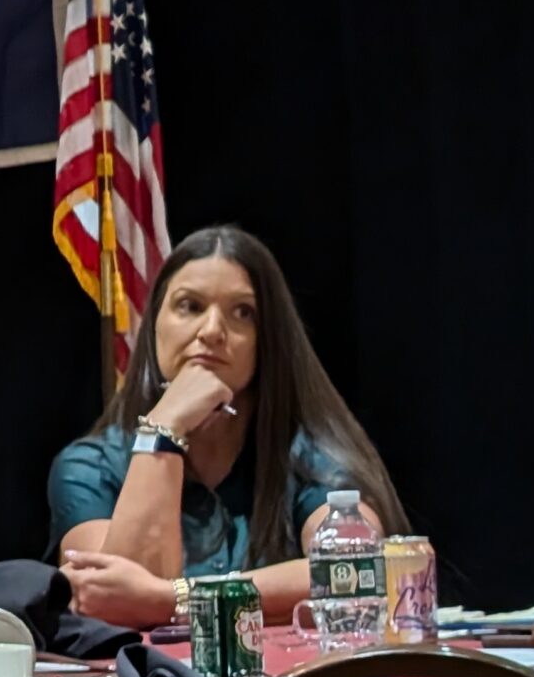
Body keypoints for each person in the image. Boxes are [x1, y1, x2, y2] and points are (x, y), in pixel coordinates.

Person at [49, 224, 405, 630]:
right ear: (153, 327)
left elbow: (354, 573)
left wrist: (176, 598)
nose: (212, 331)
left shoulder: (308, 455)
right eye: (190, 306)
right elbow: (114, 610)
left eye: (242, 313)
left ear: (266, 340)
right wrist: (164, 429)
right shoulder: (90, 466)